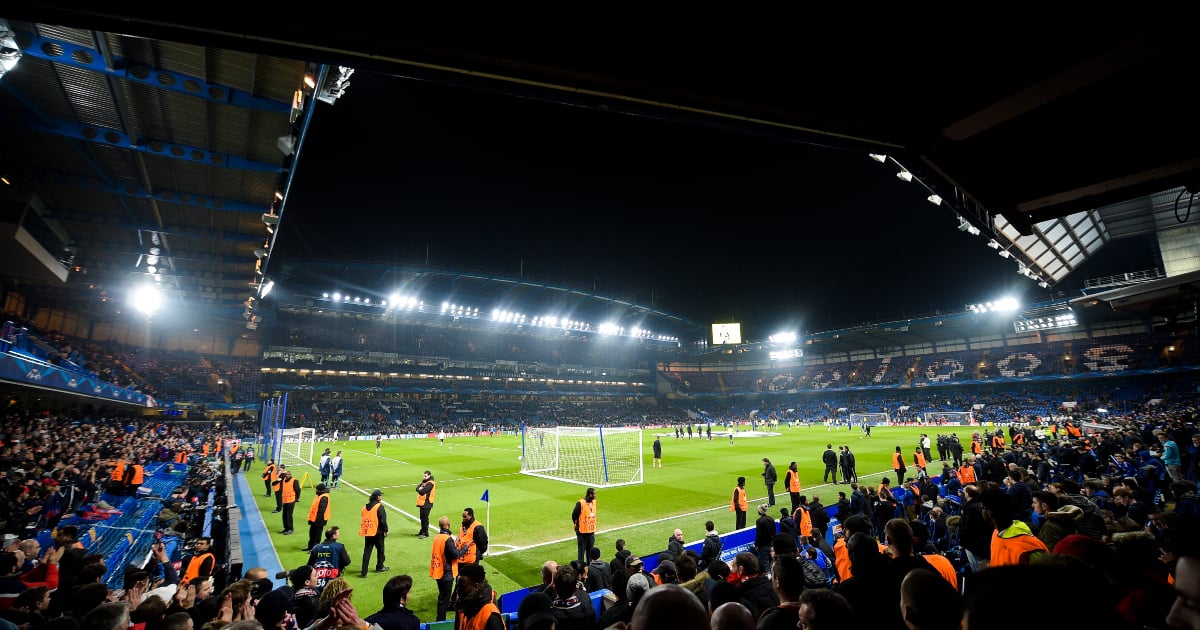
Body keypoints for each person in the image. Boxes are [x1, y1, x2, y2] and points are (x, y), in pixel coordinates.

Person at [451, 563, 503, 630]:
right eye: (457, 587)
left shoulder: (491, 617)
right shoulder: (462, 604)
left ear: (476, 586)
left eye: (462, 587)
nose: (457, 591)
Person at [430, 515, 461, 621]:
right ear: (448, 525)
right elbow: (455, 555)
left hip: (438, 570)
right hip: (446, 572)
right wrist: (465, 549)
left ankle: (440, 617)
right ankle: (440, 621)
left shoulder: (437, 537)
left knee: (442, 595)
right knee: (444, 599)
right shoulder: (447, 539)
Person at [308, 526, 352, 593]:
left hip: (317, 582)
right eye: (338, 533)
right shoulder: (339, 547)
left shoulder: (316, 547)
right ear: (333, 535)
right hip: (333, 581)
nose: (339, 534)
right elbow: (347, 562)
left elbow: (310, 565)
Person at [359, 489, 389, 577]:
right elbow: (382, 521)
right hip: (378, 532)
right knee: (380, 550)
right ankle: (380, 566)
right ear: (378, 497)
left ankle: (364, 572)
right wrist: (385, 530)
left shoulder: (364, 507)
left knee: (367, 551)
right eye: (380, 495)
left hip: (368, 531)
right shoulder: (379, 506)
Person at [571, 487, 597, 563]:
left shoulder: (594, 502)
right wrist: (577, 524)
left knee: (590, 550)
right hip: (581, 532)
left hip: (591, 531)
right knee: (581, 551)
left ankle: (590, 566)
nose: (595, 495)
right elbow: (574, 515)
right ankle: (581, 568)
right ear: (589, 495)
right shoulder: (581, 503)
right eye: (594, 494)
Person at [303, 483, 331, 551]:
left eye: (317, 489)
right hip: (314, 519)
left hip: (319, 520)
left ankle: (315, 549)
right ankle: (310, 546)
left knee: (317, 535)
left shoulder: (324, 497)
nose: (316, 490)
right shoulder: (319, 495)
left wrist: (318, 521)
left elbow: (321, 511)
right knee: (312, 533)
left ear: (320, 490)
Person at [279, 469, 301, 535]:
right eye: (286, 475)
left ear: (290, 475)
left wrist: (296, 498)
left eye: (288, 474)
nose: (287, 476)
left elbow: (298, 490)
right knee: (284, 515)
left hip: (291, 500)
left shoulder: (294, 480)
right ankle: (286, 528)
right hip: (285, 500)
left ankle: (290, 529)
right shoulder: (283, 481)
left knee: (289, 514)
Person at [415, 470, 435, 539]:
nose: (424, 477)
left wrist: (420, 489)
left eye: (425, 476)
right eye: (423, 475)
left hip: (427, 503)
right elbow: (417, 488)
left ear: (429, 476)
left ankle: (425, 533)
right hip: (423, 503)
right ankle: (422, 531)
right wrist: (419, 489)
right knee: (422, 518)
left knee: (425, 519)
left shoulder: (430, 483)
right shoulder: (425, 482)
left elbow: (422, 492)